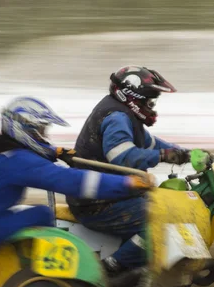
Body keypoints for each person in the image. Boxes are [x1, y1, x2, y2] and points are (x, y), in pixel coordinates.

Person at [0, 96, 155, 260]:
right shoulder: (17, 161)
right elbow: (73, 182)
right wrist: (126, 183)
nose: (43, 136)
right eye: (39, 131)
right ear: (24, 130)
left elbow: (30, 153)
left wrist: (54, 151)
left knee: (40, 214)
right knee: (44, 215)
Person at [66, 65, 191, 276]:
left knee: (168, 209)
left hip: (110, 195)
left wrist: (183, 153)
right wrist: (164, 156)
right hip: (97, 203)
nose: (151, 106)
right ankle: (111, 269)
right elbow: (123, 157)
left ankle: (145, 270)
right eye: (149, 100)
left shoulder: (124, 115)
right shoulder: (116, 117)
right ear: (134, 97)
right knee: (162, 220)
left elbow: (151, 144)